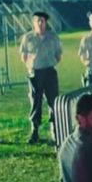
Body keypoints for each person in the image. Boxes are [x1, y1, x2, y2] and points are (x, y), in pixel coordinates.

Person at [19, 11, 62, 145]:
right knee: (35, 102)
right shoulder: (28, 38)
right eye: (37, 20)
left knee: (53, 102)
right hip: (35, 73)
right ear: (33, 22)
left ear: (45, 22)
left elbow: (58, 55)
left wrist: (49, 63)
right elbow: (23, 55)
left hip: (49, 72)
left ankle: (55, 131)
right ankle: (34, 131)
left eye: (42, 20)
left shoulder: (53, 37)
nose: (39, 23)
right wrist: (31, 65)